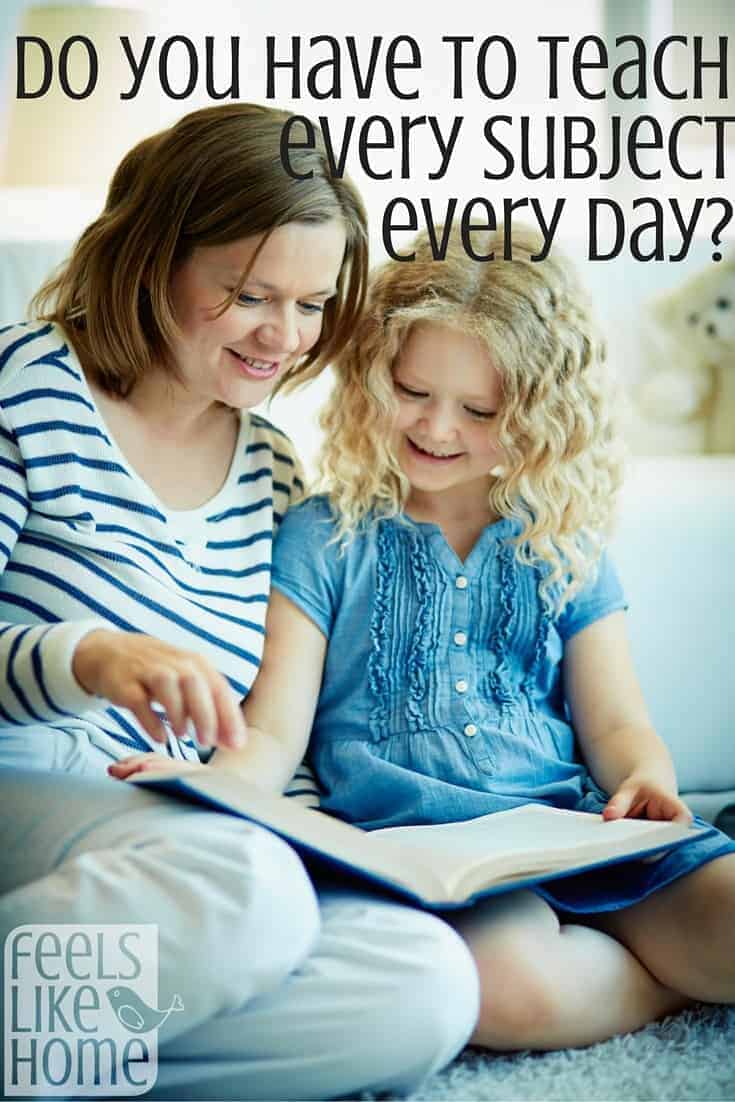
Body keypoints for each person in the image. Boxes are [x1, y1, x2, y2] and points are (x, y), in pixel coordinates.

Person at [122, 223, 735, 1052]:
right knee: (507, 996)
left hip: (572, 825)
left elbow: (617, 723)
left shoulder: (561, 536)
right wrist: (211, 789)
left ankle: (649, 949)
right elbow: (273, 729)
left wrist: (645, 782)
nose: (438, 428)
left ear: (537, 414)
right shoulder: (323, 533)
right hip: (431, 861)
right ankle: (667, 991)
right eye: (411, 390)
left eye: (478, 410)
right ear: (369, 372)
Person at [0, 106, 479, 1099]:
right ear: (152, 257)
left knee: (423, 981)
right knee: (244, 890)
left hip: (172, 830)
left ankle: (52, 1055)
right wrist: (90, 657)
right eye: (249, 293)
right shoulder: (25, 383)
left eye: (310, 305)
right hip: (35, 788)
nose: (284, 336)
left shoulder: (270, 468)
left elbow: (265, 726)